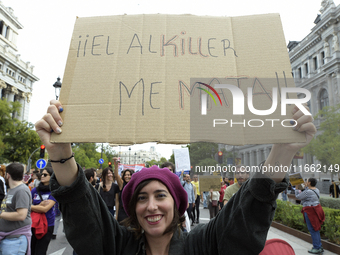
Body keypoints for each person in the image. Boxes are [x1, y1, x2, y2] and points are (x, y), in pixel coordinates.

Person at [35, 100, 316, 254]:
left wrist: (282, 151)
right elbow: (85, 216)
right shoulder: (117, 246)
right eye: (142, 198)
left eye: (160, 195)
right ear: (133, 209)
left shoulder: (204, 245)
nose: (152, 206)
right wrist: (60, 152)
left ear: (177, 203)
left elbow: (246, 213)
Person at [0, 163, 32, 255]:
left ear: (8, 175)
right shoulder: (13, 190)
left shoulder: (21, 190)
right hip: (9, 239)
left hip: (15, 240)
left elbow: (21, 215)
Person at [30, 167, 57, 255]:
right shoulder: (35, 190)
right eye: (42, 174)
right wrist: (39, 206)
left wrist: (32, 206)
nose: (42, 176)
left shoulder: (54, 191)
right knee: (31, 250)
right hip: (33, 224)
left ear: (52, 176)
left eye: (45, 174)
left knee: (40, 251)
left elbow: (45, 209)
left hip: (47, 224)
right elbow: (25, 205)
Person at [295, 178, 325, 254]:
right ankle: (319, 246)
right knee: (316, 228)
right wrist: (305, 186)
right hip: (315, 210)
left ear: (309, 183)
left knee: (312, 229)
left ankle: (317, 248)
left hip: (310, 211)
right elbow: (305, 193)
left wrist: (296, 188)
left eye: (307, 181)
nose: (305, 182)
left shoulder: (308, 192)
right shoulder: (316, 190)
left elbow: (298, 196)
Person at [113, 158, 134, 223]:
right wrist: (116, 164)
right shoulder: (122, 184)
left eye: (129, 175)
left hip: (132, 211)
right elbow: (116, 175)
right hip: (122, 212)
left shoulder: (134, 185)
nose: (127, 176)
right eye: (126, 175)